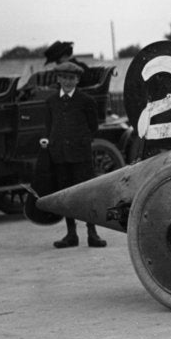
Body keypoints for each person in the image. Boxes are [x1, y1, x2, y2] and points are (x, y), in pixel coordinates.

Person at [39, 61, 106, 248]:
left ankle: (93, 233)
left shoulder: (86, 101)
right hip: (60, 156)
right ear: (58, 79)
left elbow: (93, 127)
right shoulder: (51, 102)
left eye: (72, 78)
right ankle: (71, 234)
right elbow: (49, 126)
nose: (68, 82)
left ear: (77, 80)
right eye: (64, 78)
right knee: (66, 195)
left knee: (87, 194)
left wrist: (80, 141)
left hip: (80, 156)